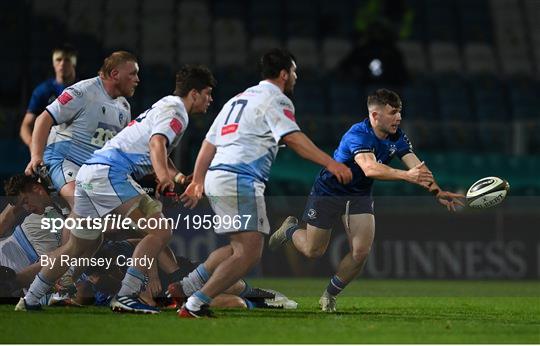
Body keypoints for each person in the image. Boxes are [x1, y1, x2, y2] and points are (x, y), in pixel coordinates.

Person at [15, 65, 216, 314]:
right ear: (194, 94)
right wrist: (163, 179)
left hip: (92, 173)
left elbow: (160, 151)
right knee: (160, 230)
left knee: (78, 247)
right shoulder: (177, 113)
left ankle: (31, 298)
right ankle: (126, 295)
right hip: (110, 173)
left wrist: (179, 179)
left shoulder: (167, 106)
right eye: (207, 93)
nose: (211, 99)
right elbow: (156, 144)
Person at [178, 48, 353, 318]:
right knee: (249, 253)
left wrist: (199, 180)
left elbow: (209, 143)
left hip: (218, 175)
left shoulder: (240, 98)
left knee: (237, 248)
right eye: (293, 72)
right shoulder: (277, 99)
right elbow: (294, 138)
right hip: (240, 178)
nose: (295, 77)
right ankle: (195, 303)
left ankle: (187, 287)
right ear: (284, 74)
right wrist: (331, 163)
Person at [269, 89, 464, 312]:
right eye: (392, 113)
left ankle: (329, 295)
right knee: (314, 251)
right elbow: (370, 168)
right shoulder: (357, 135)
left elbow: (416, 166)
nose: (398, 117)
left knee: (361, 252)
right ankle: (290, 230)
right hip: (329, 191)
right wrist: (406, 176)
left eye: (399, 112)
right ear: (375, 116)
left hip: (358, 195)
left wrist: (437, 192)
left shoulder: (397, 136)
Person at [24, 51, 139, 209]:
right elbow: (43, 119)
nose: (137, 80)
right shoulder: (83, 91)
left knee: (134, 216)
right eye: (133, 74)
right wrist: (36, 156)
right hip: (65, 161)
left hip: (94, 172)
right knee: (84, 207)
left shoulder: (124, 107)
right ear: (115, 74)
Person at [20, 45, 78, 149]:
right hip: (51, 149)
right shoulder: (42, 91)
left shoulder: (84, 88)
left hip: (78, 148)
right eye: (58, 60)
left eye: (67, 60)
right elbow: (26, 125)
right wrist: (32, 144)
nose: (62, 64)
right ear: (53, 63)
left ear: (74, 63)